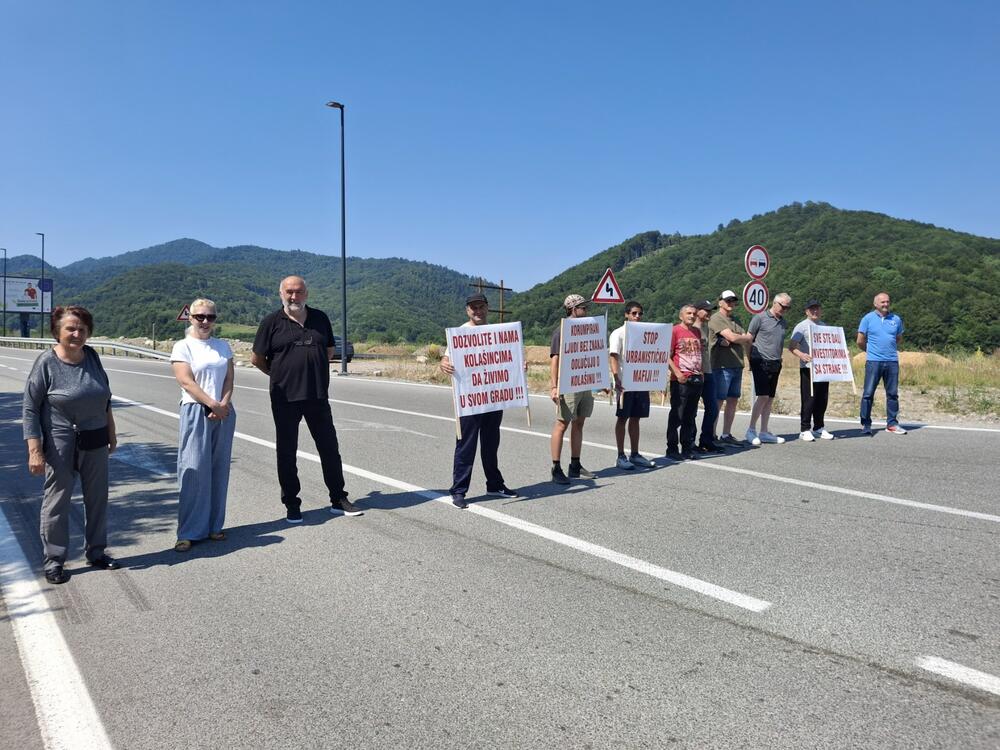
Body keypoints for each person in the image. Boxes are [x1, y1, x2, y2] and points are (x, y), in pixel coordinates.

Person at [22, 305, 120, 585]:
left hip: (96, 437)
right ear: (58, 331)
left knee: (98, 498)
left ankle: (97, 552)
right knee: (57, 502)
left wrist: (111, 433)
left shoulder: (92, 357)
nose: (77, 333)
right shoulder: (46, 363)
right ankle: (54, 561)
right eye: (71, 328)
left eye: (82, 329)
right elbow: (30, 408)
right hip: (60, 440)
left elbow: (105, 398)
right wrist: (35, 449)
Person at [251, 275, 361, 522]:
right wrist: (279, 374)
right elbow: (257, 359)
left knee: (330, 449)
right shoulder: (271, 322)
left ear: (306, 294)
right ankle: (292, 503)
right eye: (289, 292)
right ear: (281, 293)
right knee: (287, 452)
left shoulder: (320, 318)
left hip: (317, 395)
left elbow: (329, 350)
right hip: (285, 397)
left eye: (299, 292)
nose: (294, 296)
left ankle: (338, 498)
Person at [440, 293, 519, 509]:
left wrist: (519, 367)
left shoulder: (497, 333)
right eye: (473, 308)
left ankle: (494, 484)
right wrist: (443, 363)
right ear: (467, 310)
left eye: (481, 307)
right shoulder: (461, 333)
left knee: (491, 444)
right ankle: (458, 490)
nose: (478, 311)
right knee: (466, 445)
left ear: (487, 308)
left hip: (493, 398)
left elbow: (509, 359)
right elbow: (446, 358)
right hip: (470, 400)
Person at [170, 299, 237, 551]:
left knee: (219, 470)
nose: (205, 321)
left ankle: (214, 526)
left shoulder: (222, 346)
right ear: (191, 318)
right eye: (200, 317)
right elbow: (186, 382)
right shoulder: (183, 346)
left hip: (224, 410)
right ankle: (188, 531)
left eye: (210, 317)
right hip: (196, 410)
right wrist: (211, 404)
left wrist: (223, 404)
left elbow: (229, 378)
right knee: (194, 470)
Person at [549, 294, 596, 484]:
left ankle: (575, 465)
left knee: (579, 422)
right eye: (583, 307)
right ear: (572, 309)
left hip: (584, 381)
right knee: (562, 423)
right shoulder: (561, 330)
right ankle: (556, 467)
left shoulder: (588, 329)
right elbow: (555, 360)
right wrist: (554, 386)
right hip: (568, 383)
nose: (586, 311)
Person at [608, 301, 655, 470]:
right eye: (634, 313)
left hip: (640, 382)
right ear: (626, 314)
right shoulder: (618, 333)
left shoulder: (643, 333)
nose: (637, 316)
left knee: (636, 418)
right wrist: (616, 379)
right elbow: (613, 357)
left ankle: (635, 454)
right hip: (625, 384)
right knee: (622, 418)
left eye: (640, 313)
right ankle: (621, 455)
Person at [708, 290, 753, 446]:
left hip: (736, 364)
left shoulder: (736, 320)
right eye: (727, 300)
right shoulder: (716, 319)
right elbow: (735, 337)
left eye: (733, 300)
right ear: (720, 302)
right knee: (718, 401)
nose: (730, 303)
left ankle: (726, 434)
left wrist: (749, 358)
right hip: (721, 366)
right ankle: (711, 434)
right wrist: (744, 337)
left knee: (733, 400)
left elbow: (745, 340)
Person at [746, 293, 791, 445]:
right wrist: (750, 359)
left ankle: (764, 431)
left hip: (776, 362)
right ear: (775, 303)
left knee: (770, 398)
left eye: (787, 307)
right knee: (763, 396)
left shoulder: (783, 322)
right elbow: (748, 338)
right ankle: (751, 429)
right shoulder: (759, 318)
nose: (785, 310)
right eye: (783, 306)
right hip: (760, 360)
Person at [857, 291, 905, 435]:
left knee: (892, 394)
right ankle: (866, 424)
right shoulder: (867, 319)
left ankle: (892, 424)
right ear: (875, 304)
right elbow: (860, 340)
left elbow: (898, 338)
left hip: (892, 361)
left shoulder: (896, 319)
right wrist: (871, 351)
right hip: (874, 361)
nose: (885, 304)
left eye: (887, 302)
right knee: (868, 394)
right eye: (882, 302)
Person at [789, 300, 835, 441]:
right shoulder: (801, 326)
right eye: (811, 309)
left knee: (822, 398)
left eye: (817, 309)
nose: (815, 311)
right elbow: (792, 346)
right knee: (809, 399)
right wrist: (802, 355)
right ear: (806, 311)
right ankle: (804, 429)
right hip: (808, 368)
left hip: (823, 369)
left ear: (820, 310)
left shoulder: (824, 326)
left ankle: (819, 427)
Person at [666, 304, 703, 460]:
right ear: (681, 316)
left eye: (694, 313)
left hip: (696, 378)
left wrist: (702, 374)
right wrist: (677, 373)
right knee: (677, 415)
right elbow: (666, 355)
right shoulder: (674, 331)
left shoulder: (697, 332)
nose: (692, 316)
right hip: (681, 379)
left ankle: (687, 447)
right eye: (688, 313)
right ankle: (672, 448)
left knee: (690, 416)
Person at [694, 299, 724, 453]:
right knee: (691, 411)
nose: (709, 312)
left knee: (712, 408)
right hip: (695, 373)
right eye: (706, 310)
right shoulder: (692, 329)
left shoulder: (706, 327)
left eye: (711, 310)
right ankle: (689, 443)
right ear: (697, 311)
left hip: (708, 371)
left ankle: (706, 439)